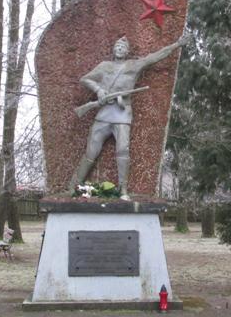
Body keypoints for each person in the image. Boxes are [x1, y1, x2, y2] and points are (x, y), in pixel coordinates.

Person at [69, 34, 188, 199]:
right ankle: (74, 186)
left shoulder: (134, 65)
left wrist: (176, 45)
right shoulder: (104, 66)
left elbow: (153, 57)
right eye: (117, 46)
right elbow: (85, 79)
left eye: (123, 47)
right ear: (113, 49)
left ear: (127, 52)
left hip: (122, 113)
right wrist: (99, 90)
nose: (119, 49)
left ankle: (123, 190)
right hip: (103, 113)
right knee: (91, 151)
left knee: (123, 150)